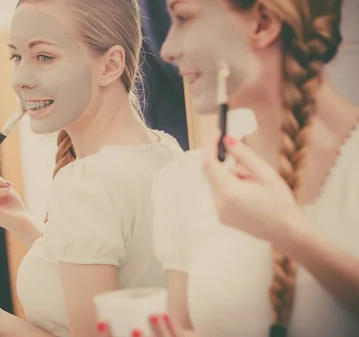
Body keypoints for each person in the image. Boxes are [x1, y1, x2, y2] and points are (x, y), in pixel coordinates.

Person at [0, 0, 184, 336]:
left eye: (43, 56)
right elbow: (116, 265)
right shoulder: (166, 150)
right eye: (16, 57)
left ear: (110, 65)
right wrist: (25, 227)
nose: (20, 80)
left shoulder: (86, 184)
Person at [96, 0, 359, 336]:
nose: (167, 51)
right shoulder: (184, 181)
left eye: (184, 18)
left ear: (262, 22)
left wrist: (289, 233)